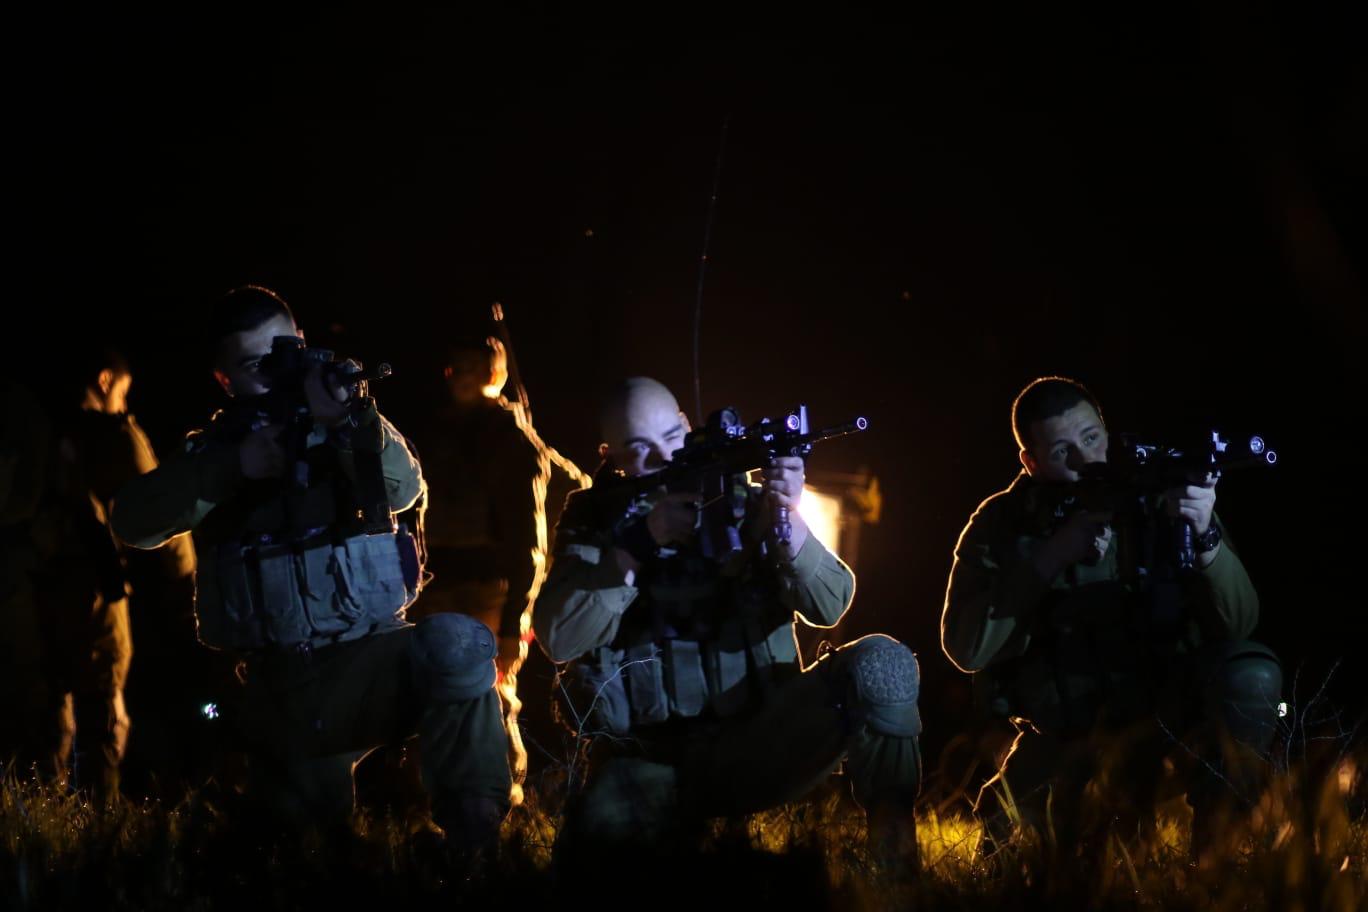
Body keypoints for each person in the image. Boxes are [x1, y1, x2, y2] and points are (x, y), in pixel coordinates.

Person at [110, 285, 510, 853]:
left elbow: (404, 489)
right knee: (300, 849)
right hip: (283, 691)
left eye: (285, 353)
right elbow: (133, 521)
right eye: (256, 366)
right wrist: (232, 467)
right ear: (224, 379)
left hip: (373, 660)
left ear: (302, 342)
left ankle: (475, 843)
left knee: (457, 645)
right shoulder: (218, 448)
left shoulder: (348, 418)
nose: (277, 374)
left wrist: (348, 424)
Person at [533, 377, 923, 874]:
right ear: (611, 456)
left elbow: (830, 606)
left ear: (687, 425)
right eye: (640, 449)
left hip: (760, 744)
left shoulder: (746, 503)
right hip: (650, 760)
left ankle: (894, 867)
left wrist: (788, 521)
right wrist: (636, 547)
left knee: (884, 664)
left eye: (670, 437)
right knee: (598, 871)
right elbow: (559, 638)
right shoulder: (595, 520)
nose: (664, 457)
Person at [941, 376, 1281, 860]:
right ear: (1030, 462)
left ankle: (1215, 866)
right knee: (1023, 857)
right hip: (1067, 736)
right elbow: (965, 647)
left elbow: (1240, 624)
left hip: (1164, 722)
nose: (1085, 459)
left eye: (1091, 438)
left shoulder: (1154, 494)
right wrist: (1050, 557)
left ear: (1105, 428)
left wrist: (1204, 535)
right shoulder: (1003, 523)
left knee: (1251, 673)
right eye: (1062, 452)